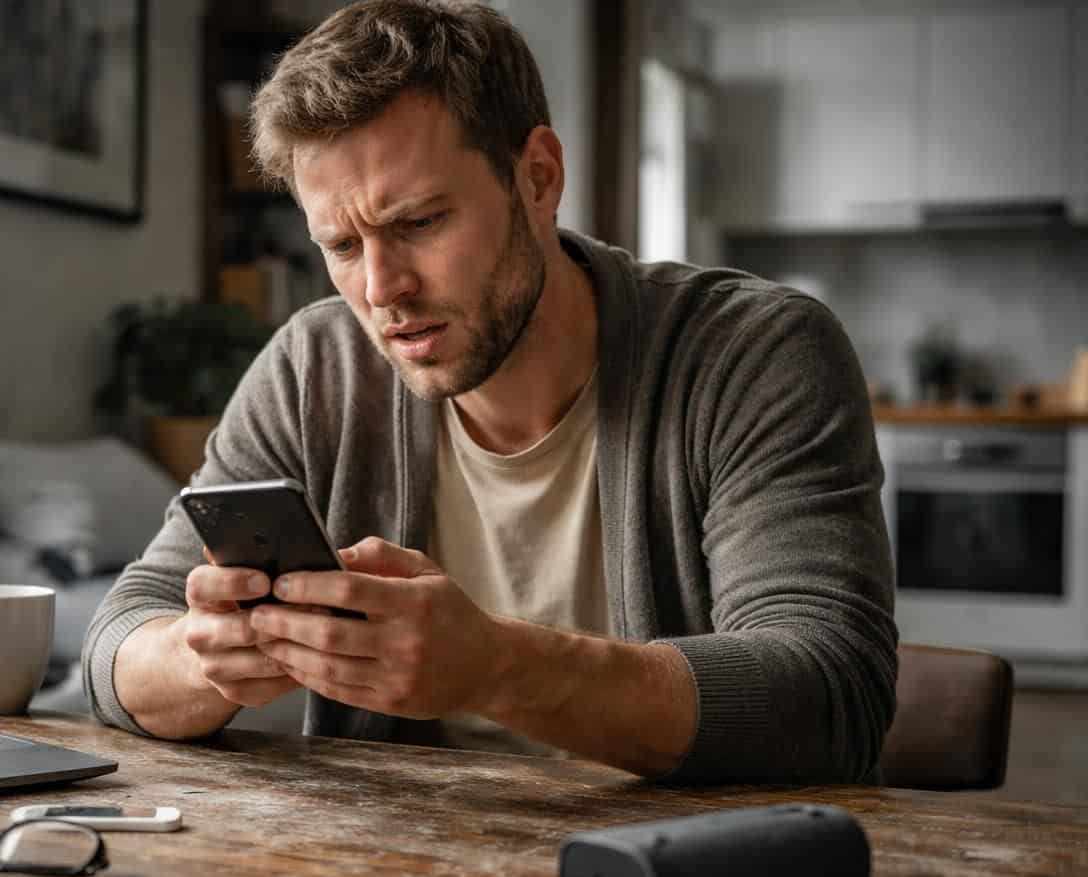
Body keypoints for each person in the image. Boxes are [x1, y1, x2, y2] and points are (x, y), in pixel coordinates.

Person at [82, 0, 897, 783]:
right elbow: (115, 645)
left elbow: (831, 694)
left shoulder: (752, 353)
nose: (380, 288)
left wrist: (499, 670)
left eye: (420, 222)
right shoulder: (315, 367)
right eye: (339, 243)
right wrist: (203, 657)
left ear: (538, 178)